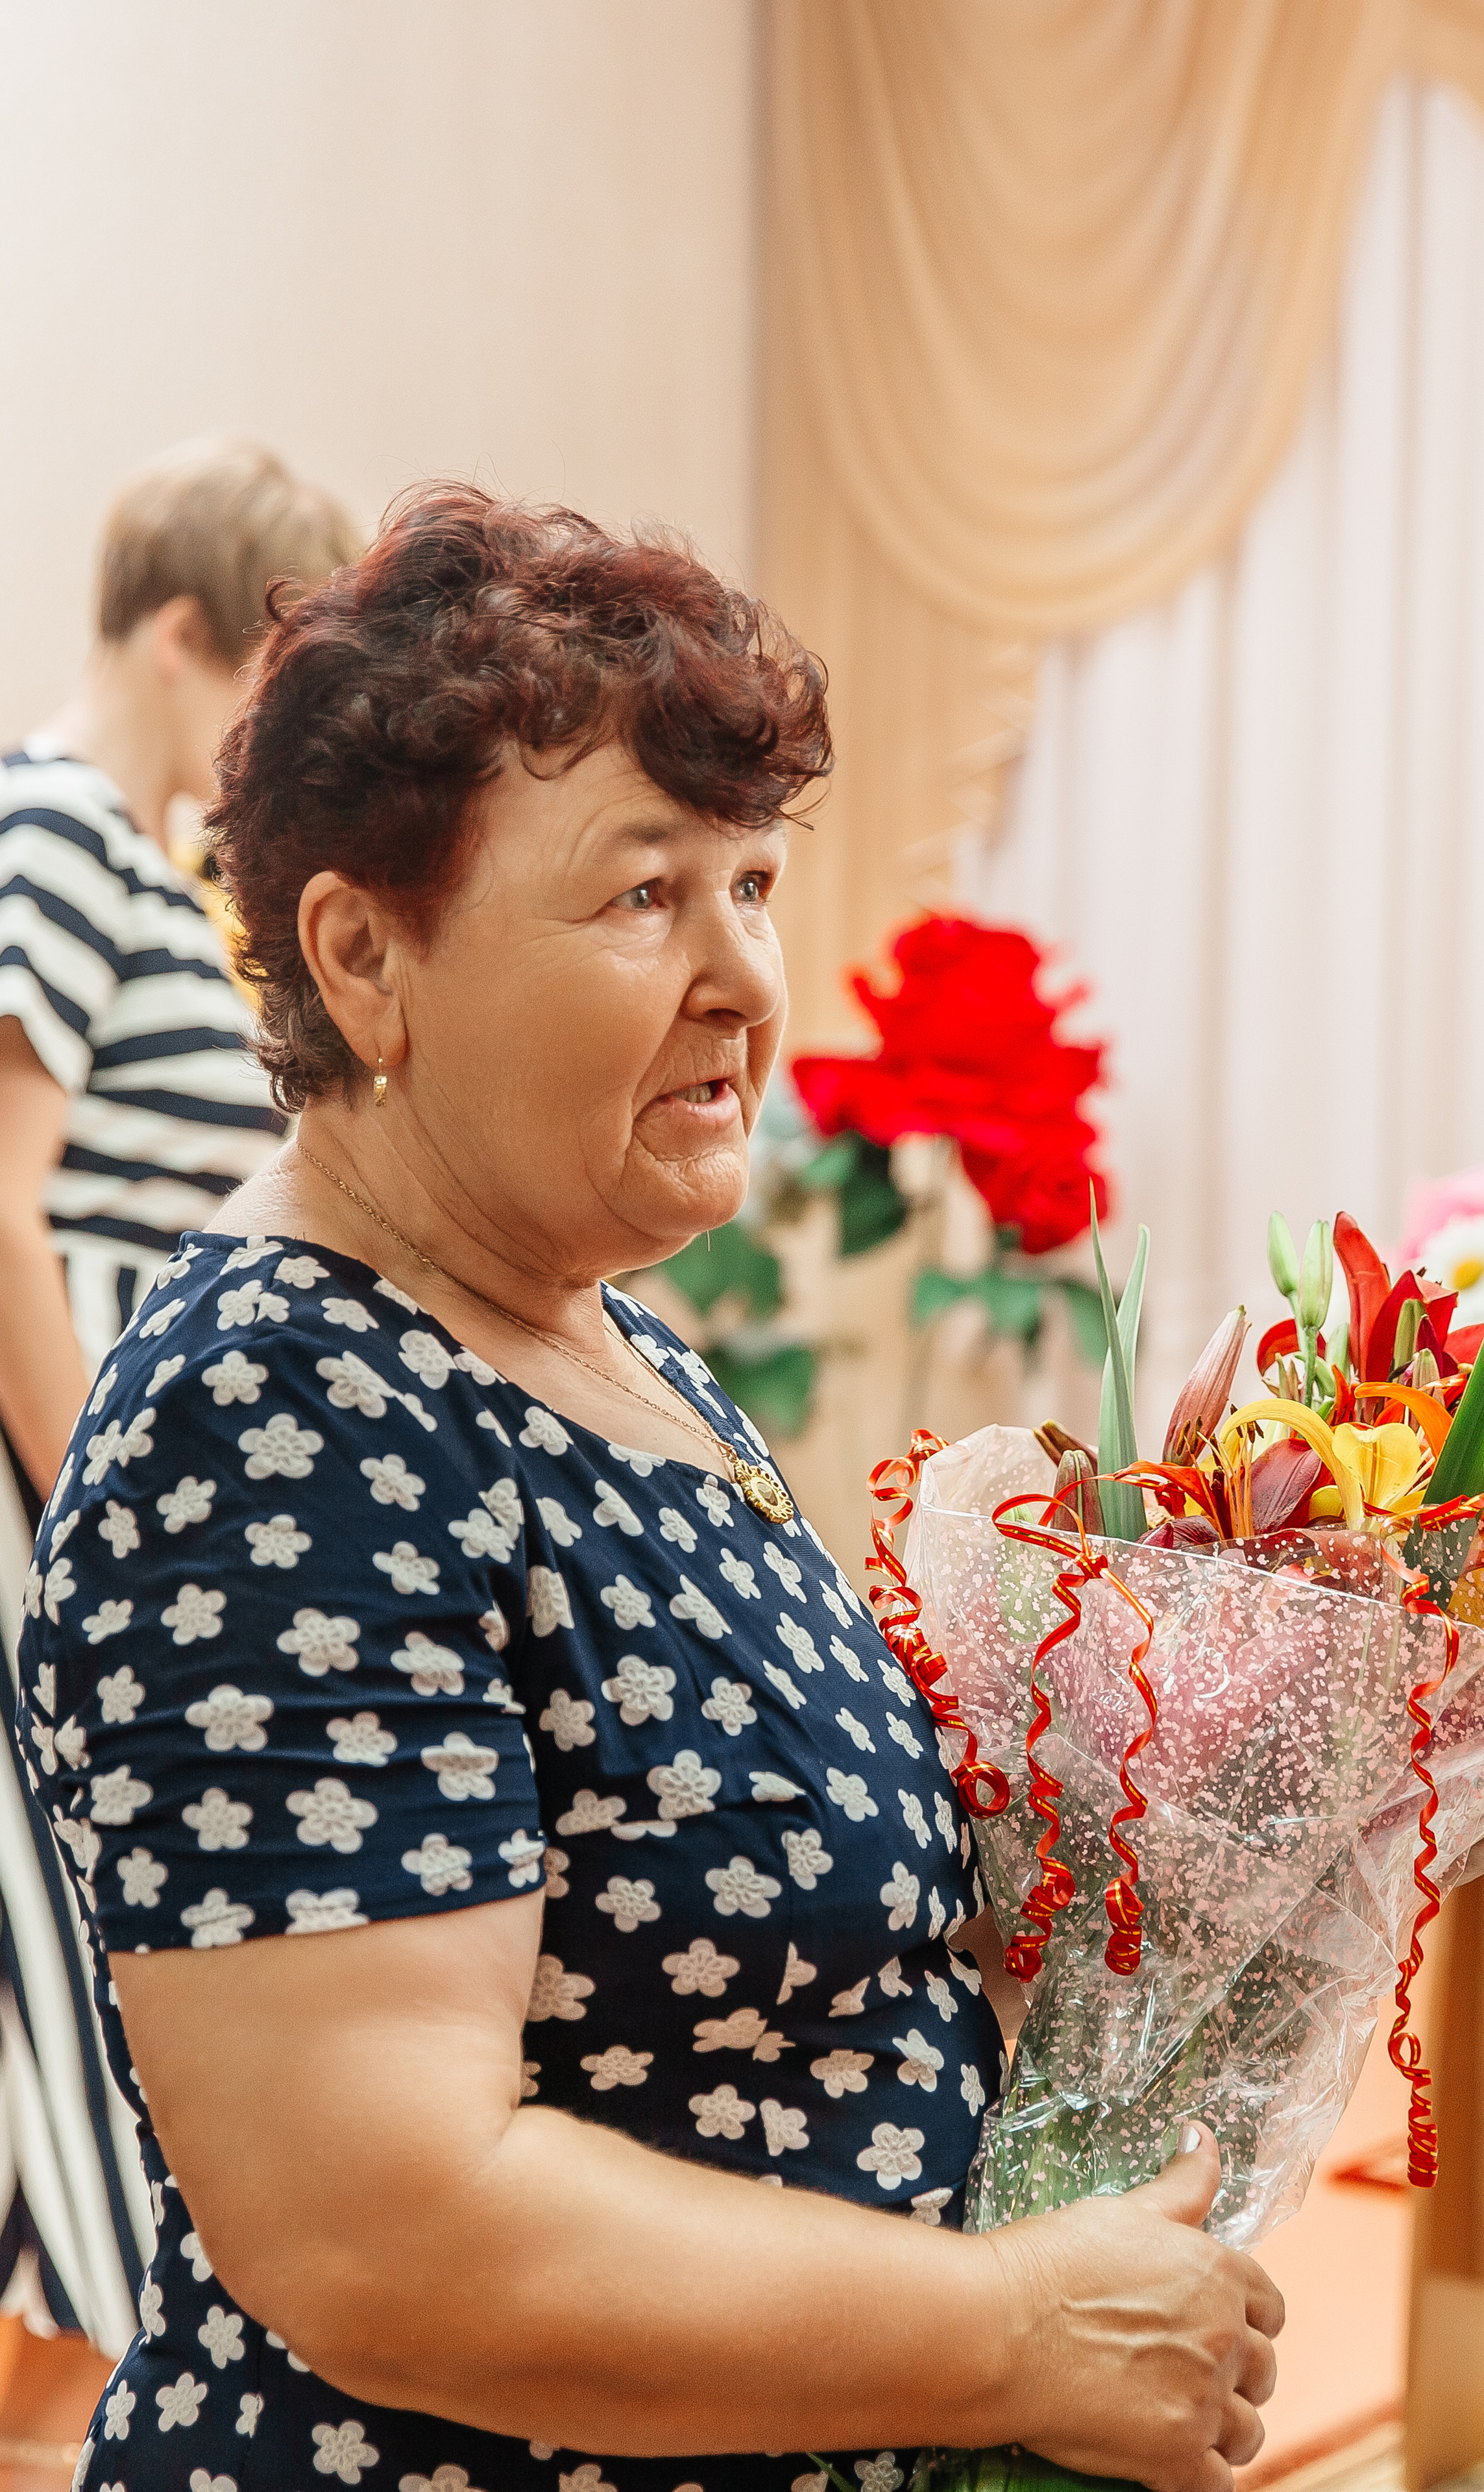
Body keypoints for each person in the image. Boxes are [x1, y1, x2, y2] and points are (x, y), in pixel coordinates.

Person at [17, 487, 1285, 2492]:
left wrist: (1198, 1609)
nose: (750, 982)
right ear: (364, 956)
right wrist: (1017, 2332)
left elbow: (791, 1901)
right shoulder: (279, 1411)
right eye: (642, 898)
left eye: (757, 886)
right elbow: (384, 2236)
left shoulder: (604, 1333)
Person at [0, 440, 356, 2450]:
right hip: (49, 1486)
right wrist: (87, 1513)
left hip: (107, 1478)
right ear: (176, 635)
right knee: (67, 2054)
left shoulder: (138, 862)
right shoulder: (49, 825)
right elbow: (1, 1203)